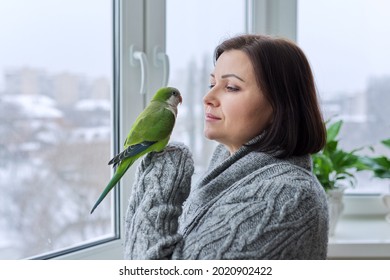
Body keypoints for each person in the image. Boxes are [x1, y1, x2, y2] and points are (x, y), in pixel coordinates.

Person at [124, 34, 329, 260]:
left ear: (279, 106)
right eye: (212, 83)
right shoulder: (226, 173)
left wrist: (162, 180)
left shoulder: (288, 197)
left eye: (231, 87)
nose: (208, 97)